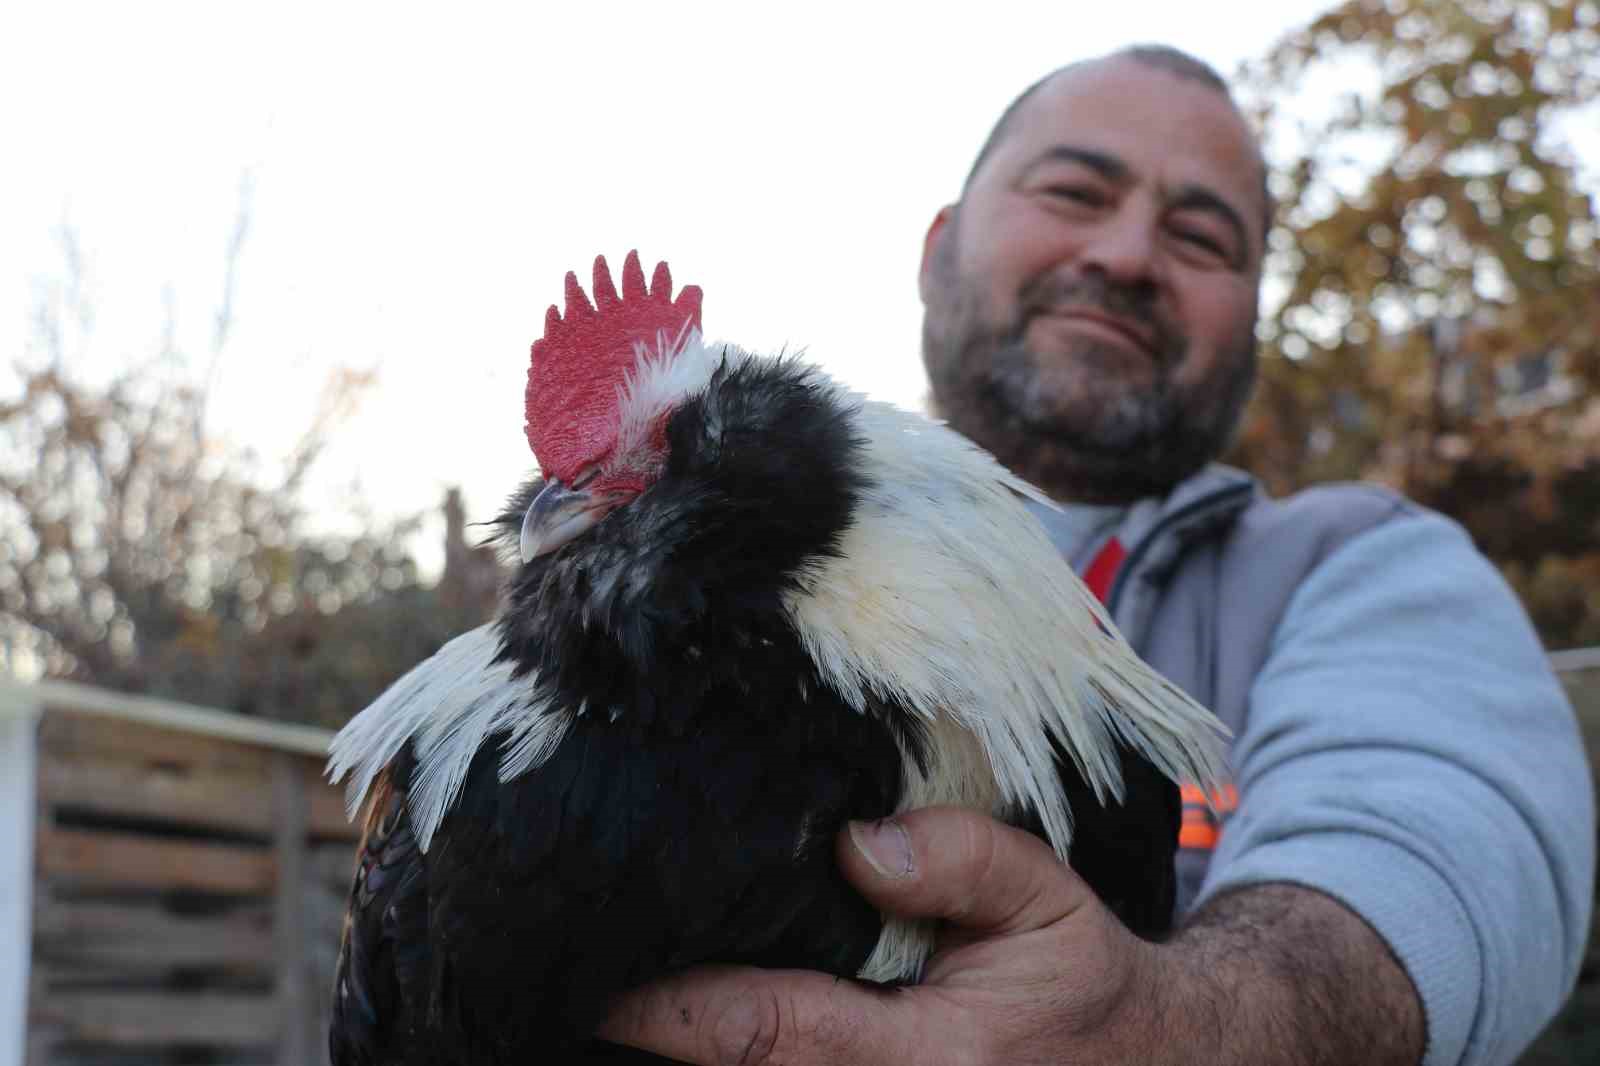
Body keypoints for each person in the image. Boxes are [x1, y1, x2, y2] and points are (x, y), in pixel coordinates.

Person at [599, 45, 1596, 1066]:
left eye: (1201, 238)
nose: (1126, 255)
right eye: (1074, 191)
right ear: (938, 248)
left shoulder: (1360, 568)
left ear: (1249, 317)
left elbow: (1439, 849)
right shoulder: (655, 562)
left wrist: (1182, 1022)